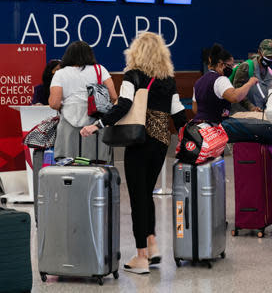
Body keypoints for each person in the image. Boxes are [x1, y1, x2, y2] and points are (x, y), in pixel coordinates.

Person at [80, 33, 187, 274]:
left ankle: (141, 257)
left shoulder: (132, 76)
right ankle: (151, 242)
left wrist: (97, 125)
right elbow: (178, 112)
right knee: (146, 193)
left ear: (136, 52)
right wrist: (186, 135)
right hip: (161, 142)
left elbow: (124, 104)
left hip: (138, 140)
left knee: (138, 197)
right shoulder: (168, 79)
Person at [49, 41, 117, 162]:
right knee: (96, 165)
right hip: (95, 126)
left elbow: (54, 103)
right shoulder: (100, 70)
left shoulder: (60, 74)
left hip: (68, 129)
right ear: (89, 55)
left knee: (68, 166)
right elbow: (113, 96)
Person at [193, 44, 259, 123]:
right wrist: (250, 83)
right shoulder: (221, 80)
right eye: (230, 66)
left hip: (199, 126)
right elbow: (235, 97)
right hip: (215, 128)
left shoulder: (198, 81)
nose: (231, 69)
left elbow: (195, 109)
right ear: (221, 64)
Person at [230, 39, 272, 113]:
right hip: (242, 115)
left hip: (258, 115)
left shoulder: (269, 72)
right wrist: (251, 107)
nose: (270, 59)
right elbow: (237, 92)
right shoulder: (246, 67)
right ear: (259, 52)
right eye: (267, 56)